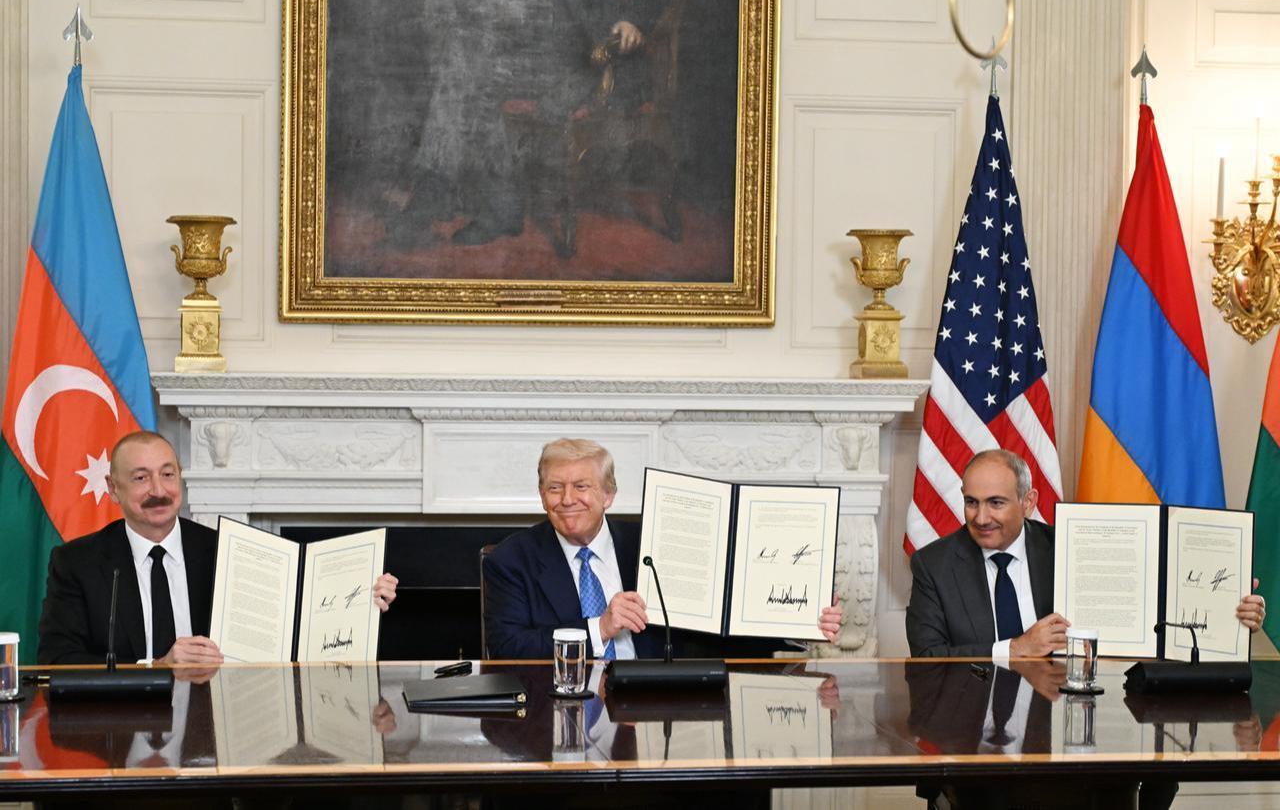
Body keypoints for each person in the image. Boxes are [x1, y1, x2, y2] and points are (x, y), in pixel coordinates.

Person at [36, 431, 399, 665]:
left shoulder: (228, 551)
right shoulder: (77, 563)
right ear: (113, 489)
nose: (159, 491)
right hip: (119, 737)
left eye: (168, 474)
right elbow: (56, 661)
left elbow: (295, 627)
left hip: (215, 729)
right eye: (141, 478)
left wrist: (360, 598)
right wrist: (156, 667)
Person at [483, 437, 843, 659]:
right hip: (563, 708)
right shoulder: (511, 560)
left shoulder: (657, 543)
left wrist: (798, 621)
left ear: (608, 495)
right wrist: (600, 628)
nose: (567, 499)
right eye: (555, 488)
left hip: (656, 706)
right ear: (541, 494)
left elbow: (714, 629)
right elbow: (506, 648)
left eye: (581, 486)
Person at [905, 449, 1266, 658]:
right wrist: (1015, 648)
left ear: (1028, 502)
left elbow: (1152, 612)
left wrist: (1228, 611)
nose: (981, 518)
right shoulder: (933, 565)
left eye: (996, 503)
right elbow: (926, 657)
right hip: (973, 720)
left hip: (1065, 717)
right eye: (971, 502)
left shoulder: (1070, 546)